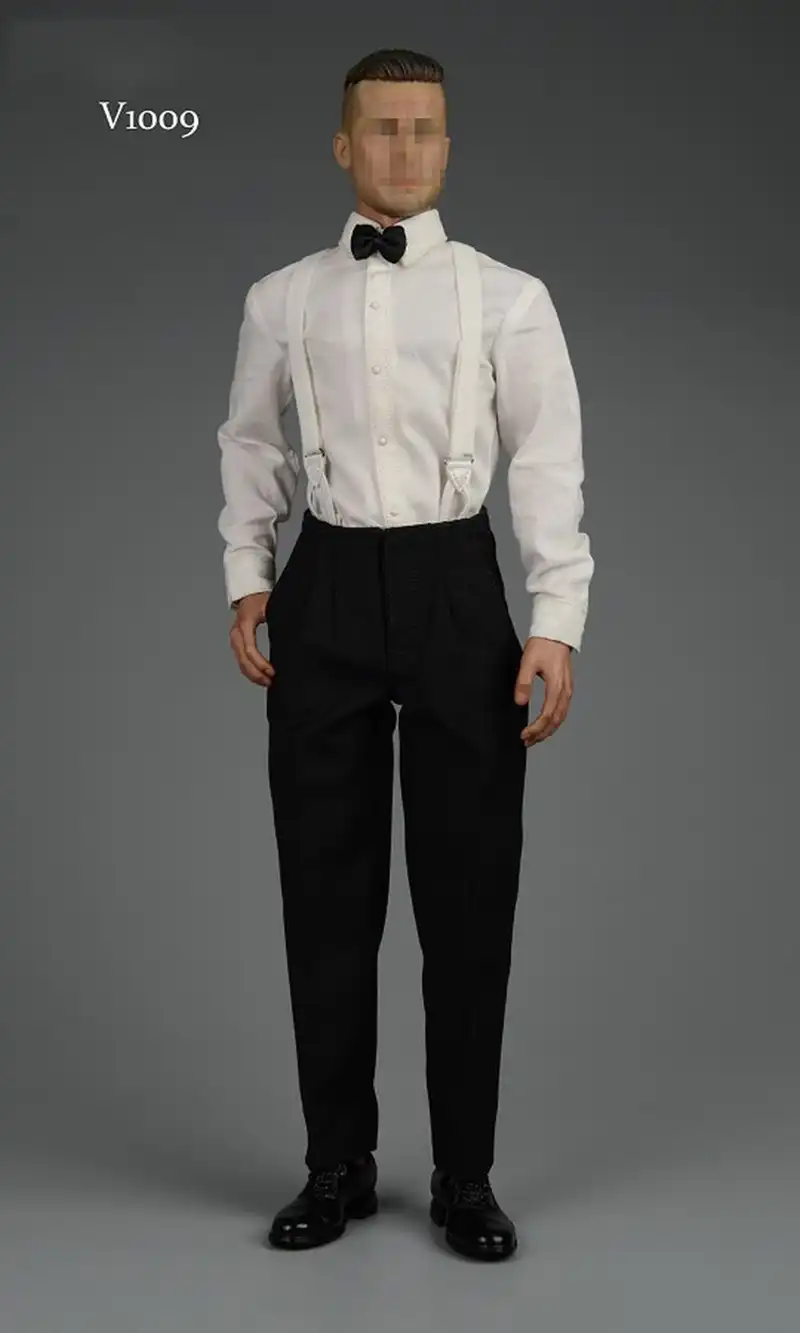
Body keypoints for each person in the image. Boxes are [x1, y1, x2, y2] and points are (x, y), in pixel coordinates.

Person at [217, 47, 594, 1262]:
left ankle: (464, 1176)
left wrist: (554, 617)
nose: (405, 148)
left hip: (454, 590)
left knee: (468, 894)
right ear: (343, 146)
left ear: (448, 144)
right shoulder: (281, 297)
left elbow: (546, 456)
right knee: (323, 892)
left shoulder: (506, 296)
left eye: (424, 127)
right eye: (381, 128)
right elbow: (249, 441)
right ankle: (335, 1163)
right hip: (324, 584)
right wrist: (247, 573)